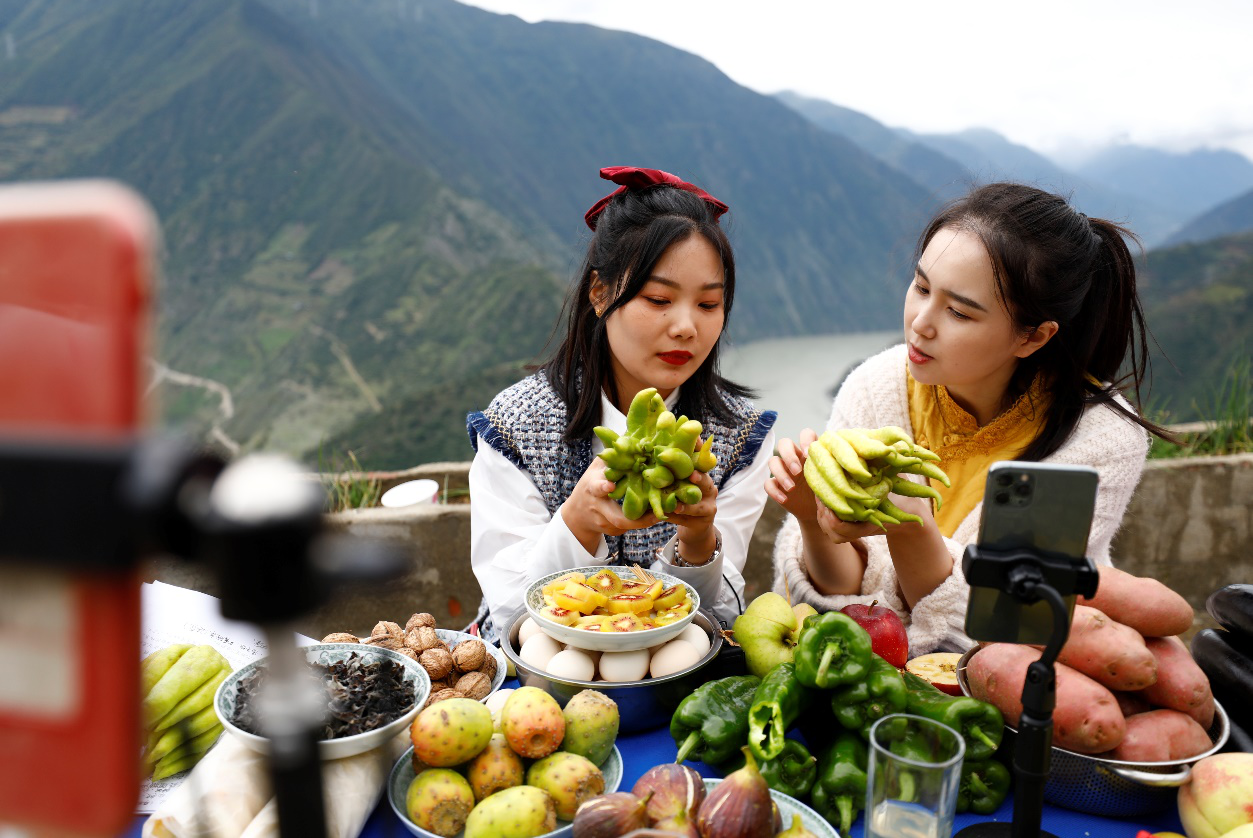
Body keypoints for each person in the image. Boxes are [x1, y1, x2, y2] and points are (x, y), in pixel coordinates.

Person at [767, 182, 1173, 657]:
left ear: (1033, 337)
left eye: (959, 311)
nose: (921, 321)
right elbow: (845, 610)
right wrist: (812, 521)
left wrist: (911, 528)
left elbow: (999, 626)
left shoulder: (1100, 439)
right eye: (920, 287)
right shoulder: (877, 386)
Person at [466, 166, 777, 644]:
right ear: (599, 292)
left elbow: (715, 618)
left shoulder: (740, 435)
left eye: (709, 305)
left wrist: (698, 542)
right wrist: (577, 521)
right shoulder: (514, 425)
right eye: (658, 299)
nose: (685, 327)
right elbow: (509, 610)